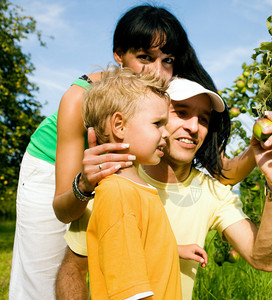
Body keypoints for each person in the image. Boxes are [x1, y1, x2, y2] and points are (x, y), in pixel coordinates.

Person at [10, 4, 253, 300]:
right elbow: (62, 210)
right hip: (53, 170)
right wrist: (84, 184)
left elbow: (219, 171)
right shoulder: (79, 98)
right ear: (118, 55)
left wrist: (255, 152)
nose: (158, 72)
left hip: (113, 173)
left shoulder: (162, 100)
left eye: (167, 60)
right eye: (144, 58)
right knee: (43, 275)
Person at [60, 76, 272, 300]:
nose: (194, 127)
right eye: (181, 113)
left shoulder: (211, 193)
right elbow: (74, 269)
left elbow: (264, 260)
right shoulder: (109, 180)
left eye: (204, 119)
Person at [82, 66, 182, 299]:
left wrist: (176, 251)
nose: (165, 133)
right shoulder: (117, 193)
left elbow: (139, 248)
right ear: (119, 126)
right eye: (157, 123)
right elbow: (129, 292)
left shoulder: (136, 189)